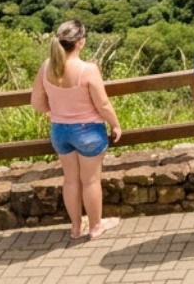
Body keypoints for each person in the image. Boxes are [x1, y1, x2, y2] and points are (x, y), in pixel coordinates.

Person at [30, 20, 123, 241]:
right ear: (80, 42)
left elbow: (36, 102)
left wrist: (52, 112)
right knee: (90, 181)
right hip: (88, 130)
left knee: (70, 179)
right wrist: (116, 124)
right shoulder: (87, 70)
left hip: (60, 131)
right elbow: (103, 105)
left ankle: (75, 228)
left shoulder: (47, 67)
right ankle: (95, 227)